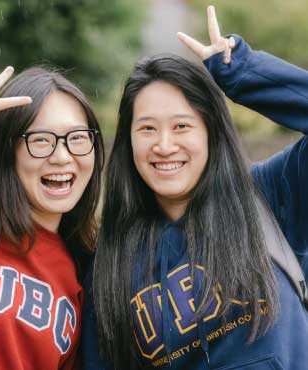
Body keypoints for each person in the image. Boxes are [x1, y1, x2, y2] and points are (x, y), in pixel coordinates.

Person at [82, 6, 308, 370]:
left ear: (211, 133)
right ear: (129, 142)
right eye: (147, 129)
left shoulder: (270, 197)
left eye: (182, 126)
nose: (165, 145)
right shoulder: (110, 262)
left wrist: (242, 74)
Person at [0, 65, 104, 369]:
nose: (62, 157)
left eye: (77, 138)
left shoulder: (85, 272)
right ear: (8, 151)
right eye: (40, 140)